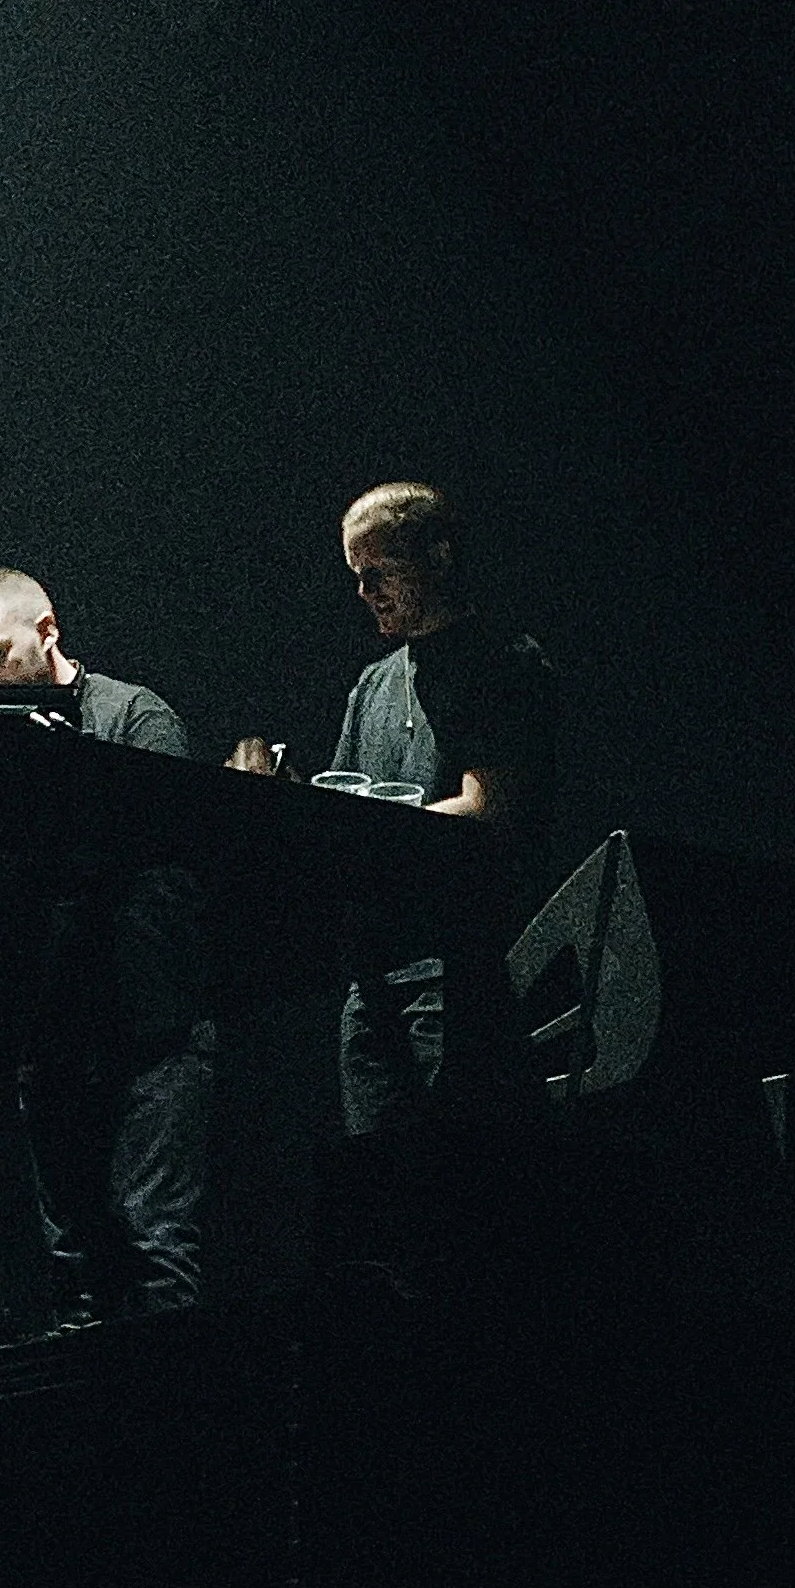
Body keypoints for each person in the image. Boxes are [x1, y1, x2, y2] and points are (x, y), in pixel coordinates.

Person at [0, 569, 211, 1320]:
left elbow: (159, 857)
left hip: (148, 1026)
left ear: (47, 631)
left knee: (152, 1244)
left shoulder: (134, 716)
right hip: (53, 1030)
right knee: (72, 1263)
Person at [314, 483, 558, 1135]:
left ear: (439, 557)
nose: (365, 593)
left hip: (455, 970)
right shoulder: (372, 683)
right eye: (356, 577)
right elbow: (343, 806)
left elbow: (491, 810)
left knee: (449, 1180)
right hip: (370, 978)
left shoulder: (502, 663)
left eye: (378, 573)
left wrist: (354, 829)